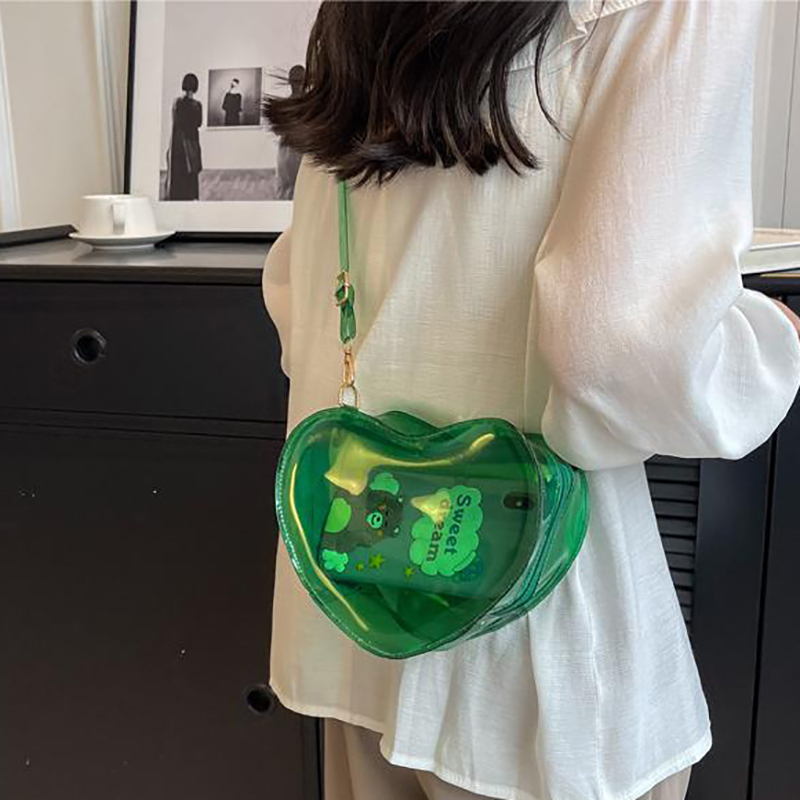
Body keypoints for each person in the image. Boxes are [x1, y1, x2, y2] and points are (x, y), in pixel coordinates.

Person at [262, 3, 800, 800]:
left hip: (361, 598)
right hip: (534, 653)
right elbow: (622, 349)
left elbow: (298, 291)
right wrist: (767, 346)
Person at [165, 72, 203, 201]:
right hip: (192, 141)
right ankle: (192, 196)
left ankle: (178, 196)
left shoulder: (178, 103)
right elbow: (199, 123)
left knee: (180, 172)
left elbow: (176, 122)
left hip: (180, 143)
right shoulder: (197, 105)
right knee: (192, 171)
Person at [274, 65, 306, 200]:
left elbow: (277, 130)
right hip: (291, 152)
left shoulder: (285, 105)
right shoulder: (285, 106)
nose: (297, 86)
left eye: (299, 82)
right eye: (296, 82)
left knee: (291, 190)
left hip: (296, 152)